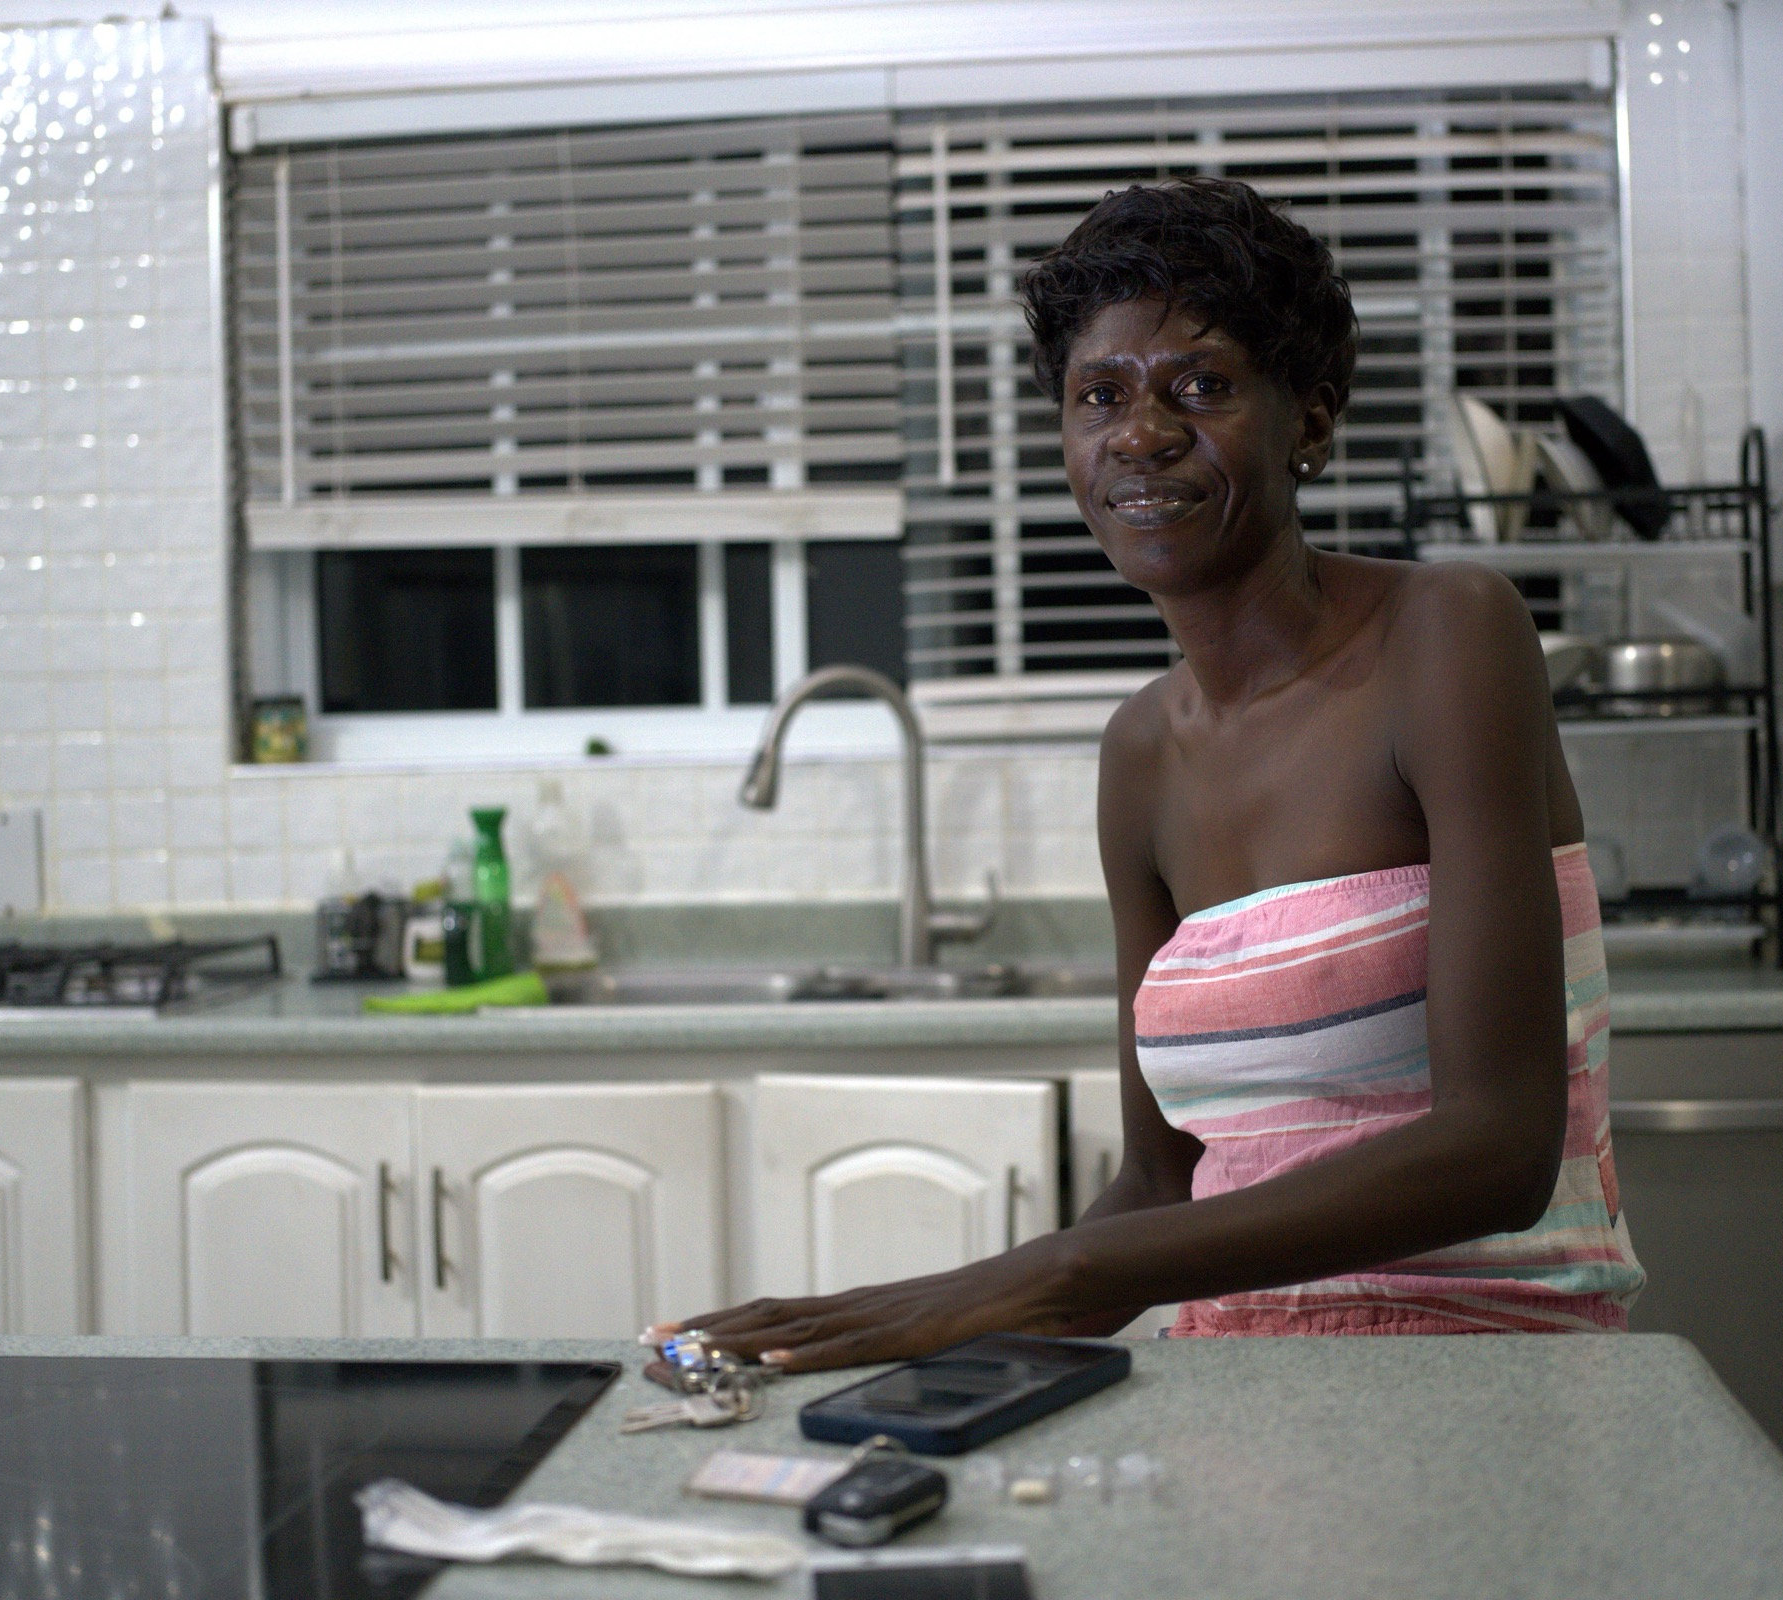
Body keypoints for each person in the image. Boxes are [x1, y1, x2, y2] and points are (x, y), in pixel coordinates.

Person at [652, 176, 1642, 1370]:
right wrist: (902, 1339)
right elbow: (1159, 1185)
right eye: (1098, 396)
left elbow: (1500, 1147)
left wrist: (1038, 1272)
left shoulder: (1449, 637)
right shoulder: (1139, 755)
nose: (1140, 432)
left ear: (1311, 422)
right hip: (1232, 1375)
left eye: (1203, 386)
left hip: (1493, 1365)